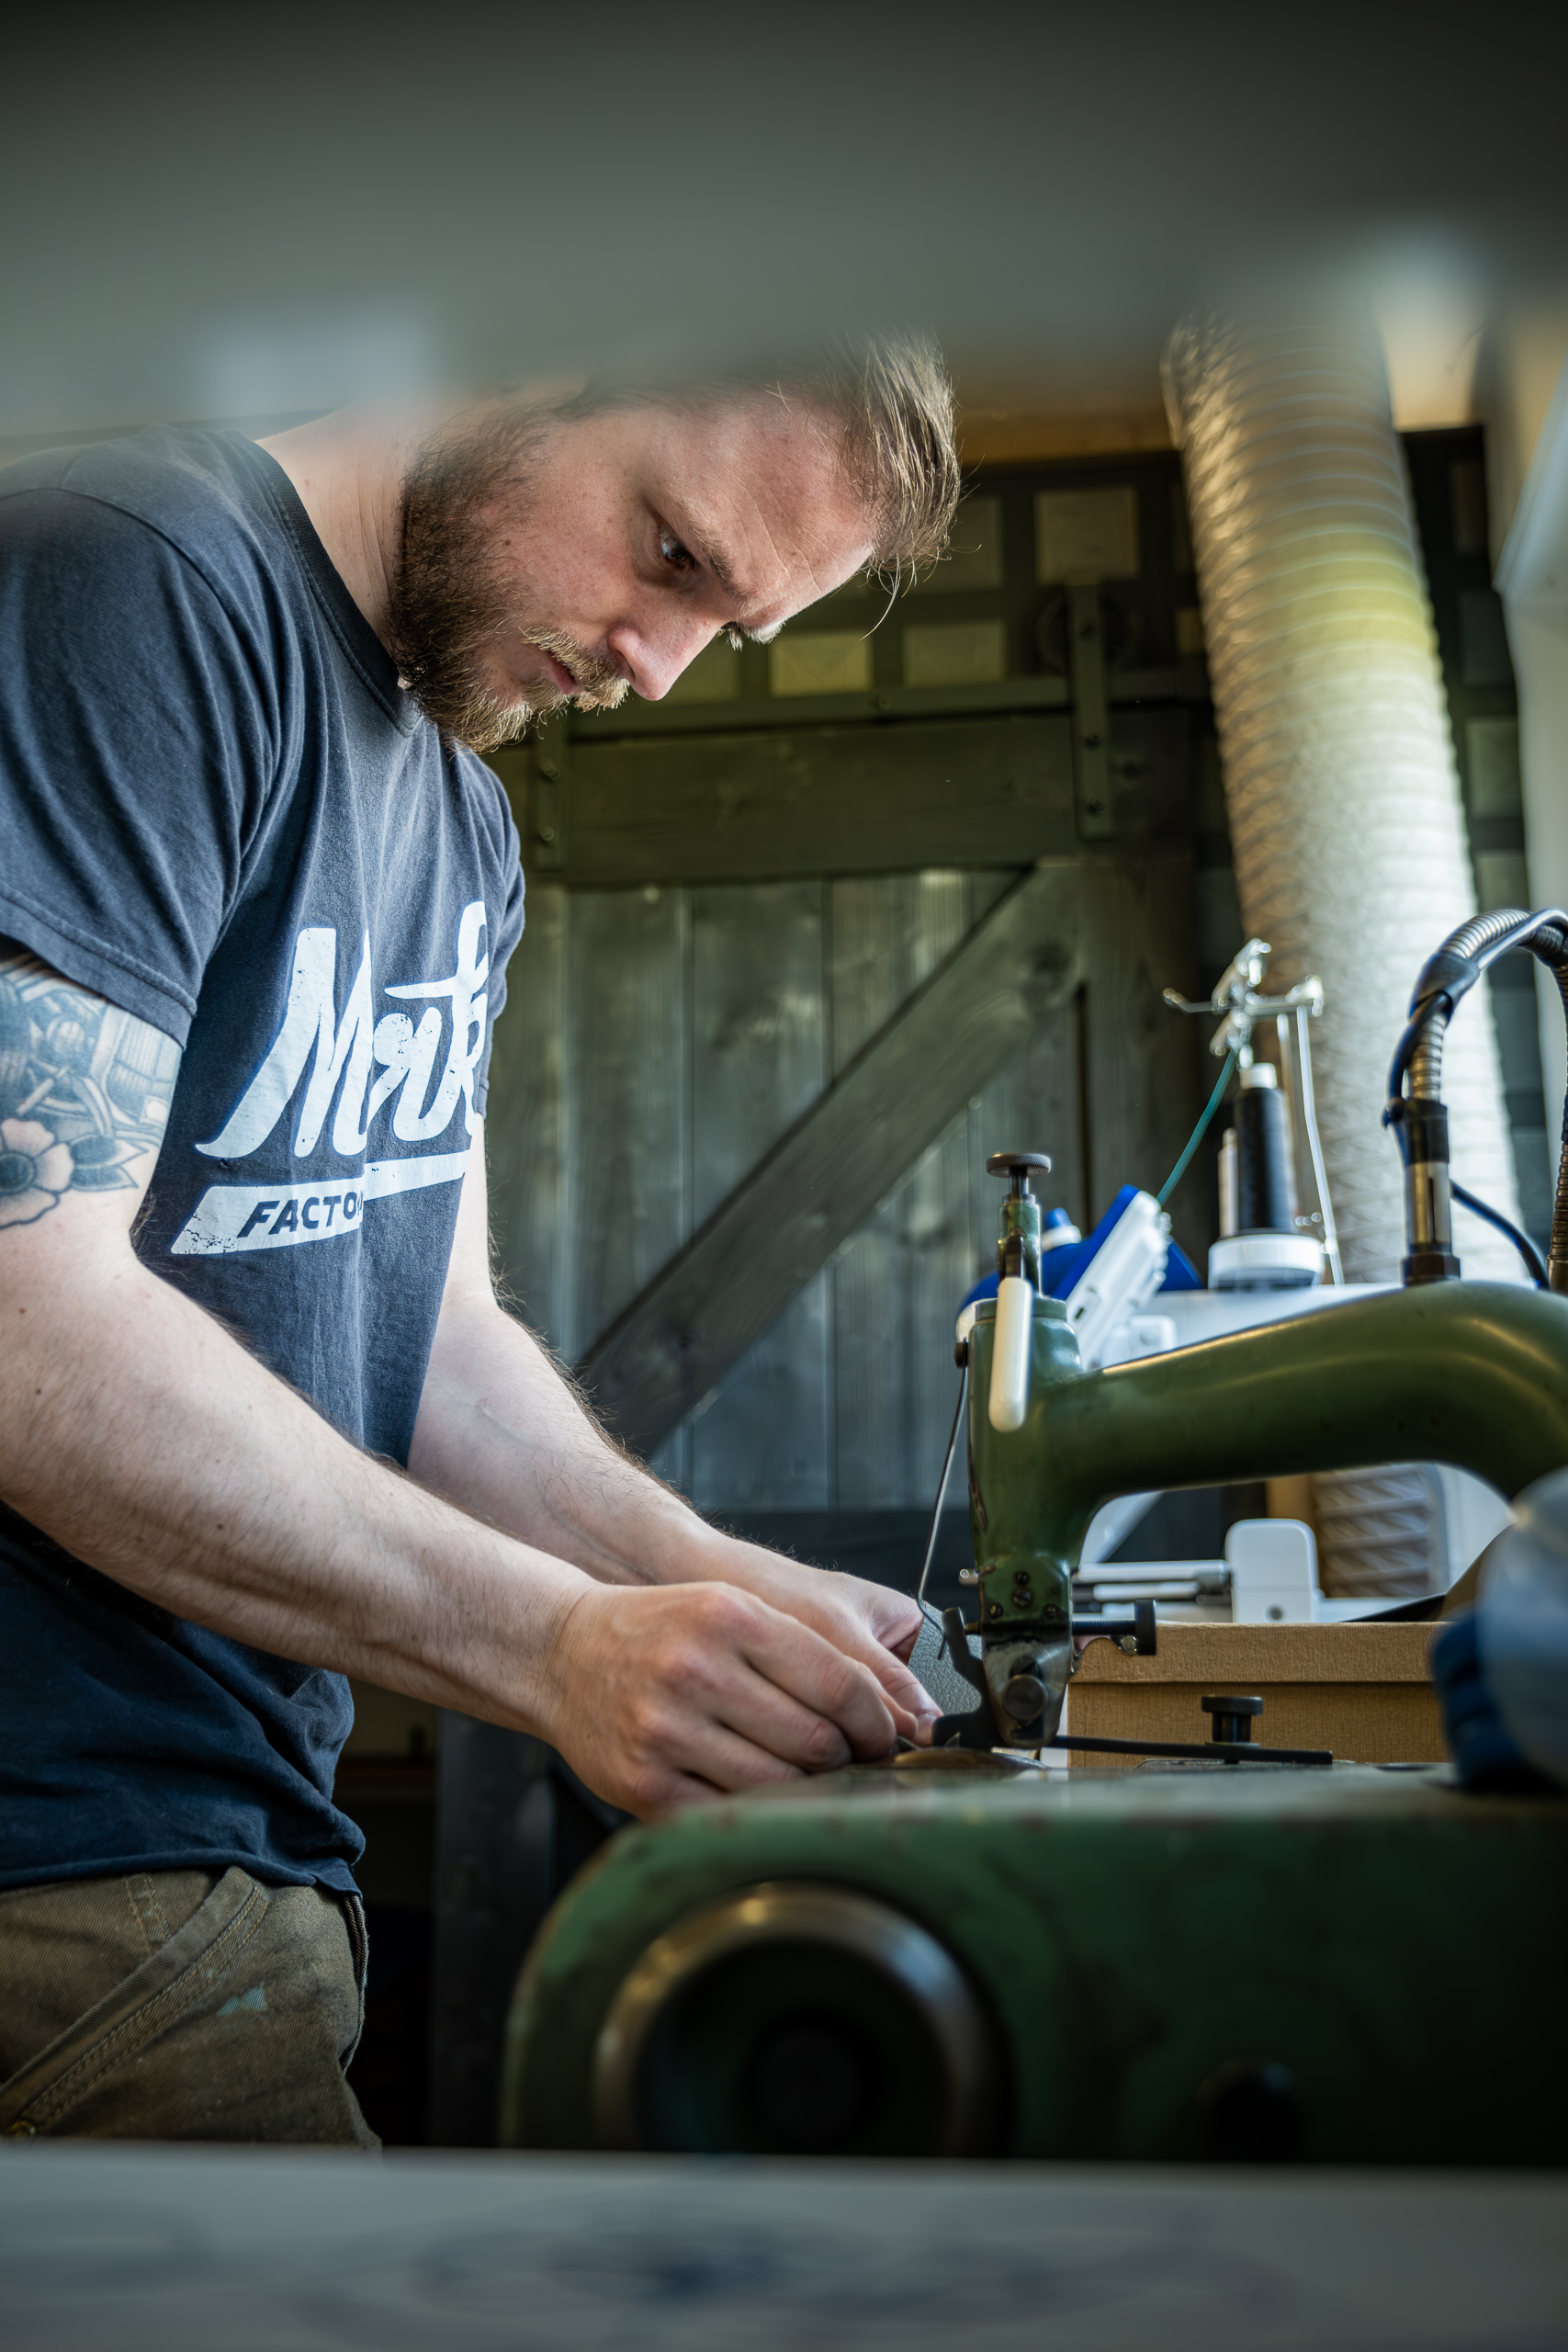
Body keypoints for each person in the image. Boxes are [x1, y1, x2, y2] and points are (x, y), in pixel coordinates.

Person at [0, 338, 962, 2143]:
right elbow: (21, 1322)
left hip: (245, 1842)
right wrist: (554, 1648)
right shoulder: (131, 574)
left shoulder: (460, 822)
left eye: (725, 629)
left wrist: (703, 1575)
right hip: (56, 1866)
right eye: (667, 555)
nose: (656, 667)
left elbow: (429, 1338)